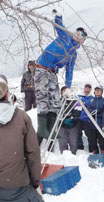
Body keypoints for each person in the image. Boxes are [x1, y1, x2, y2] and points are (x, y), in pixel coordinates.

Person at [34, 9, 87, 143]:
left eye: (81, 35)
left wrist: (68, 87)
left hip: (53, 72)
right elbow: (59, 25)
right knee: (43, 97)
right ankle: (42, 128)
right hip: (42, 67)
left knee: (55, 100)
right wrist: (58, 15)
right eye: (77, 32)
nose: (77, 35)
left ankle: (51, 127)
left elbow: (70, 71)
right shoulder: (65, 37)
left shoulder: (73, 54)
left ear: (83, 40)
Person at [0, 74, 43, 202]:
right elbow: (33, 153)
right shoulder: (21, 117)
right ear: (7, 94)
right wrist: (35, 181)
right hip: (18, 186)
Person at [58, 86, 81, 155]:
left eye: (66, 90)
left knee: (73, 142)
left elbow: (78, 111)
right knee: (62, 142)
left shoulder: (75, 101)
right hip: (61, 125)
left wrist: (72, 118)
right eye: (63, 90)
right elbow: (56, 111)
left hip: (73, 124)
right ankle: (64, 155)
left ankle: (73, 155)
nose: (65, 92)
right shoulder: (59, 101)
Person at [87, 86, 104, 154]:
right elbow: (88, 110)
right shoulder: (91, 100)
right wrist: (95, 111)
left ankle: (103, 153)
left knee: (102, 140)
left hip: (101, 123)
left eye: (99, 90)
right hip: (92, 124)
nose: (97, 92)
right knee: (92, 140)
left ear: (101, 92)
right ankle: (94, 153)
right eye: (96, 90)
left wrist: (99, 113)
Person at [78, 84, 94, 151]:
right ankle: (80, 148)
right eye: (86, 87)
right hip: (79, 118)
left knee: (89, 134)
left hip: (87, 119)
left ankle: (91, 149)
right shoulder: (79, 97)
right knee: (78, 134)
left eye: (89, 88)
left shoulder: (92, 98)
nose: (87, 89)